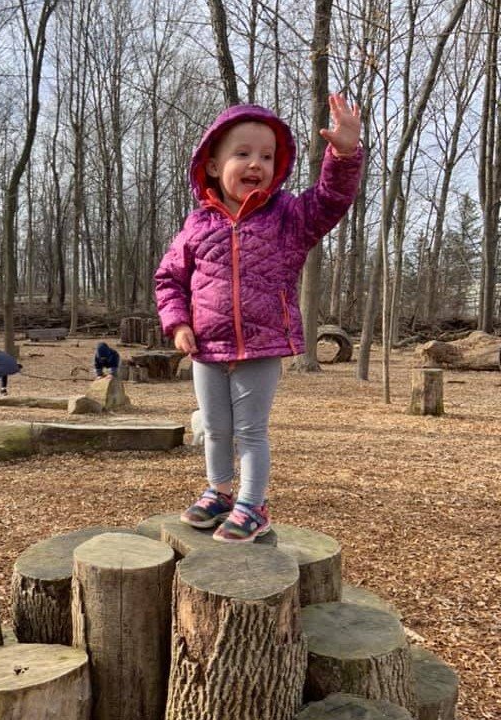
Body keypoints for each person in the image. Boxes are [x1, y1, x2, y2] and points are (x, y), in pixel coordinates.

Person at [155, 95, 363, 543]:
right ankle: (219, 492)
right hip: (206, 347)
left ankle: (253, 504)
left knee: (250, 430)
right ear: (212, 166)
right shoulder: (196, 226)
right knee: (214, 427)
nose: (256, 164)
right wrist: (178, 324)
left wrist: (343, 155)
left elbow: (330, 200)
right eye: (243, 154)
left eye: (266, 156)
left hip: (262, 344)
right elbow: (168, 279)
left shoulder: (287, 217)